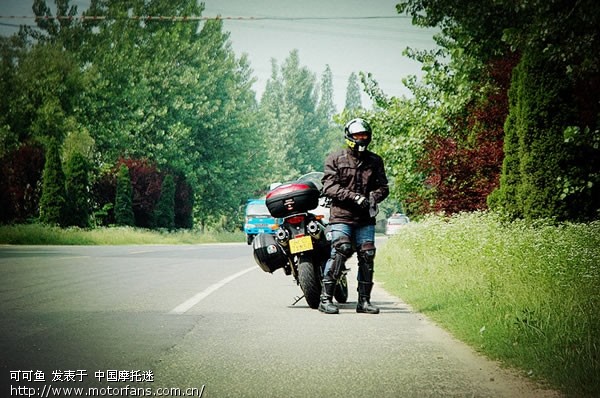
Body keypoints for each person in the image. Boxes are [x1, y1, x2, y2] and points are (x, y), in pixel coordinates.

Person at [319, 118, 389, 314]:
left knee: (367, 254)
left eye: (364, 136)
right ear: (349, 137)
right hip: (341, 216)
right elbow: (329, 187)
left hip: (365, 218)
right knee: (341, 249)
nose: (361, 139)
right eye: (357, 136)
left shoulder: (375, 161)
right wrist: (353, 197)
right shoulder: (335, 159)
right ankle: (325, 299)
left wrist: (373, 197)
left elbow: (383, 187)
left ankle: (364, 301)